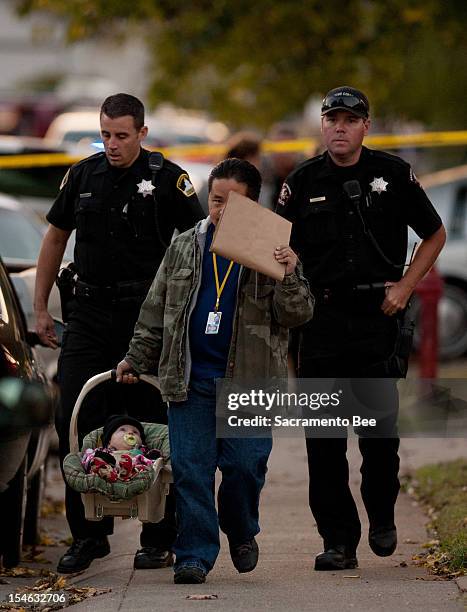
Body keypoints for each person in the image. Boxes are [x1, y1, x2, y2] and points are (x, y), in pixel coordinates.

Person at [116, 158, 314, 584]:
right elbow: (155, 308)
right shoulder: (185, 244)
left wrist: (289, 274)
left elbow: (296, 315)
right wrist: (136, 356)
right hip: (189, 381)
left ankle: (241, 529)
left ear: (254, 204)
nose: (220, 210)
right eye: (215, 199)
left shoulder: (272, 247)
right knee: (191, 472)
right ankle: (194, 555)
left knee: (245, 468)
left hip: (250, 384)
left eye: (231, 202)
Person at [33, 93, 205, 573]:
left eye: (122, 135)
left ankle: (157, 537)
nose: (112, 144)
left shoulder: (168, 179)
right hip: (87, 314)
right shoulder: (84, 175)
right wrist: (40, 308)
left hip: (144, 318)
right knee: (76, 416)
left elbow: (200, 241)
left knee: (153, 419)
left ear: (142, 133)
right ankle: (88, 536)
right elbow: (55, 237)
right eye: (105, 134)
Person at [277, 86, 446, 571]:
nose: (339, 127)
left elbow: (435, 233)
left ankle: (382, 514)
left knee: (378, 439)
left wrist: (406, 286)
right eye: (332, 119)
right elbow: (274, 244)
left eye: (350, 120)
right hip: (321, 322)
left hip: (379, 318)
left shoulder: (392, 175)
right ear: (323, 125)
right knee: (324, 442)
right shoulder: (303, 180)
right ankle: (338, 541)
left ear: (365, 126)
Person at [80, 415, 163, 482]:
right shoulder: (102, 451)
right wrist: (96, 458)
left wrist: (153, 456)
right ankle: (107, 472)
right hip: (106, 473)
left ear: (141, 441)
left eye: (135, 432)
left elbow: (154, 465)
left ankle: (126, 471)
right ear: (109, 441)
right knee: (95, 460)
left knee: (144, 466)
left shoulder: (143, 453)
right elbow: (87, 459)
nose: (130, 433)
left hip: (134, 478)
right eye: (123, 430)